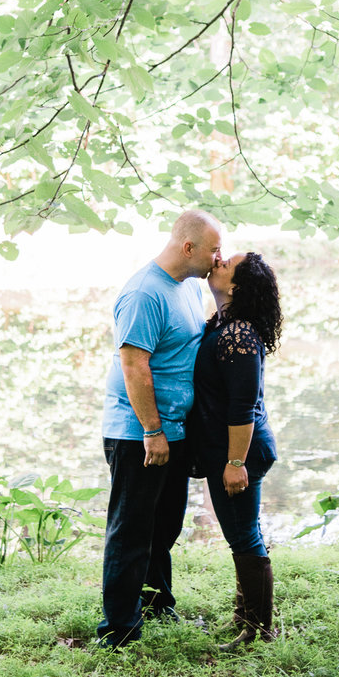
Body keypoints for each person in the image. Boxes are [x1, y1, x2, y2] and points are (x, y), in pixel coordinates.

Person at [97, 209, 223, 648]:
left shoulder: (188, 286)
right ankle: (119, 629)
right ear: (189, 248)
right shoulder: (144, 294)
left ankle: (156, 604)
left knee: (165, 526)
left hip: (175, 428)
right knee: (131, 529)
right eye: (213, 249)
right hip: (139, 433)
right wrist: (153, 429)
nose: (218, 258)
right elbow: (134, 364)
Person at [188, 250, 281, 649]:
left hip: (242, 451)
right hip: (231, 451)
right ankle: (246, 618)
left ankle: (259, 630)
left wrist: (234, 463)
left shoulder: (239, 335)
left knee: (243, 536)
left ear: (237, 286)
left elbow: (243, 407)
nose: (219, 261)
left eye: (228, 264)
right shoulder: (223, 324)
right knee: (243, 533)